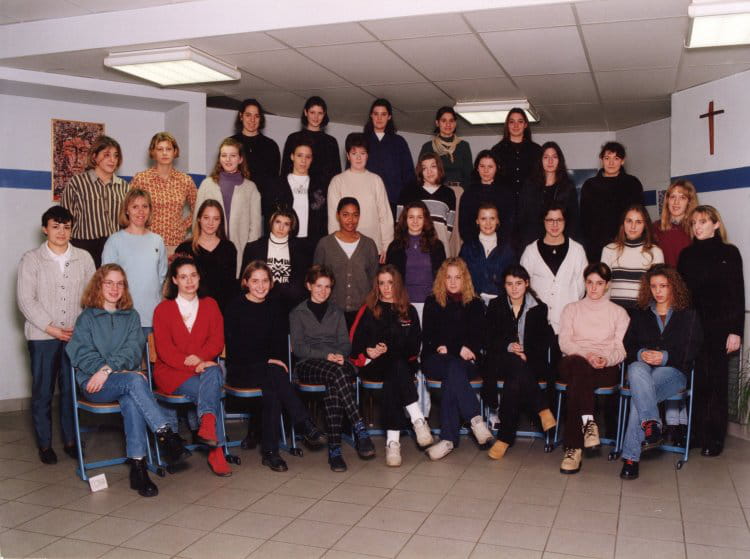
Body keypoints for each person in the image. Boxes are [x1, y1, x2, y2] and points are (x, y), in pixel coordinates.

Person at [66, 264, 186, 497]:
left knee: (132, 397)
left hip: (123, 381)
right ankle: (166, 434)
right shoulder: (87, 318)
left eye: (120, 283)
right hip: (95, 384)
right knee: (135, 381)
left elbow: (132, 351)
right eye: (109, 283)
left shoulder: (132, 316)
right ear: (99, 285)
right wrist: (104, 372)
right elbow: (81, 353)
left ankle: (138, 468)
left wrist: (108, 369)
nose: (114, 288)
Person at [224, 261, 326, 471]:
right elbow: (236, 348)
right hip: (241, 369)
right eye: (255, 281)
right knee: (274, 374)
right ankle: (303, 423)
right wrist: (265, 360)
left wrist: (268, 361)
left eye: (265, 281)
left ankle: (271, 452)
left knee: (272, 383)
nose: (260, 286)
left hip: (268, 371)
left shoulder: (275, 307)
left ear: (271, 283)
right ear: (245, 282)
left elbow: (279, 347)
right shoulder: (235, 307)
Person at [17, 206, 96, 464]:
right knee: (43, 391)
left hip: (74, 336)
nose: (61, 232)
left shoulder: (84, 258)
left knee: (71, 390)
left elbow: (92, 297)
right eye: (55, 226)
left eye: (66, 227)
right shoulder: (31, 259)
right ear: (45, 229)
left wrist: (79, 330)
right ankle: (44, 444)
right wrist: (52, 329)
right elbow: (26, 300)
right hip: (43, 337)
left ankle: (71, 441)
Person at [290, 265, 376, 472]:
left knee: (335, 383)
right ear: (309, 286)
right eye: (319, 286)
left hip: (337, 364)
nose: (323, 291)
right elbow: (299, 349)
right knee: (338, 376)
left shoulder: (336, 312)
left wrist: (338, 355)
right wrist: (326, 355)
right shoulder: (297, 313)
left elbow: (345, 344)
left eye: (327, 287)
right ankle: (359, 428)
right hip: (309, 364)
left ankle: (335, 451)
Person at [620, 265, 703, 479]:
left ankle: (631, 458)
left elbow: (691, 350)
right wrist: (641, 354)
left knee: (640, 394)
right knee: (636, 368)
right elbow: (628, 346)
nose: (658, 291)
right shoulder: (640, 313)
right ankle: (652, 424)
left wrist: (664, 357)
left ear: (673, 286)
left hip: (674, 372)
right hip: (643, 371)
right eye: (654, 286)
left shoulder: (688, 315)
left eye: (663, 286)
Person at [152, 256, 231, 476]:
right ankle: (216, 450)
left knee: (213, 371)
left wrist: (201, 359)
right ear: (174, 280)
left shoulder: (210, 304)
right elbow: (165, 351)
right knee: (212, 385)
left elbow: (217, 341)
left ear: (199, 278)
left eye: (193, 276)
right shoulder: (163, 310)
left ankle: (207, 428)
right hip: (171, 373)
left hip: (204, 369)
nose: (189, 281)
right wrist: (195, 366)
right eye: (183, 277)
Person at [678, 205, 744, 457]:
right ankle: (696, 433)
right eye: (694, 222)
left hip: (721, 328)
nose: (697, 226)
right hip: (693, 327)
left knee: (716, 382)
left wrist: (736, 331)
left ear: (716, 224)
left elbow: (737, 294)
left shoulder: (729, 252)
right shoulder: (686, 255)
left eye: (703, 221)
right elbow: (681, 296)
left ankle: (715, 438)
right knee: (696, 382)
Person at [351, 265, 432, 466]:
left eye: (391, 282)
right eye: (382, 283)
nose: (387, 288)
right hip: (375, 366)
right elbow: (354, 345)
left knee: (395, 370)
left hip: (402, 366)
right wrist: (368, 352)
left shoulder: (409, 311)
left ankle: (392, 442)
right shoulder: (368, 310)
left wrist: (392, 350)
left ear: (398, 284)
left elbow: (414, 347)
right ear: (376, 286)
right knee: (395, 369)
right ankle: (417, 418)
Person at [557, 262, 629, 474]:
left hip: (604, 366)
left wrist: (605, 359)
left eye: (599, 283)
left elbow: (621, 349)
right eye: (590, 282)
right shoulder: (571, 309)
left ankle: (573, 449)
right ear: (584, 283)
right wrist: (587, 355)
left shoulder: (619, 313)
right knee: (579, 367)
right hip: (574, 361)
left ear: (607, 285)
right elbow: (565, 343)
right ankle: (589, 423)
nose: (594, 288)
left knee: (577, 385)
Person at [421, 258, 494, 460]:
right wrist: (458, 347)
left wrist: (451, 347)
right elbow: (430, 338)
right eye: (448, 277)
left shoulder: (475, 304)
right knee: (454, 368)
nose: (453, 282)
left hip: (465, 362)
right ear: (442, 279)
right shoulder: (432, 302)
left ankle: (447, 440)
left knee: (453, 373)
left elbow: (478, 338)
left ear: (465, 279)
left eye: (457, 277)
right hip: (435, 360)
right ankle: (476, 420)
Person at [485, 266, 557, 460]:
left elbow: (542, 343)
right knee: (515, 364)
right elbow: (489, 339)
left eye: (518, 283)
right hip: (501, 360)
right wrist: (509, 346)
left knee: (514, 381)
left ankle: (504, 439)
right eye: (509, 284)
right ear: (504, 286)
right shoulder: (496, 305)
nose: (514, 288)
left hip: (529, 363)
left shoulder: (539, 308)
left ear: (527, 283)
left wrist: (526, 353)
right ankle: (543, 409)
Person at [520, 203, 587, 393]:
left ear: (565, 222)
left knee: (563, 372)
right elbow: (523, 286)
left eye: (559, 220)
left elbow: (581, 287)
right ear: (543, 222)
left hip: (567, 323)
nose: (554, 225)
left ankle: (560, 409)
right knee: (538, 372)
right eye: (550, 220)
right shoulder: (531, 251)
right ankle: (541, 409)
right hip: (538, 324)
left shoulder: (577, 250)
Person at [195, 136, 262, 275]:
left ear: (240, 159)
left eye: (233, 155)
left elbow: (255, 227)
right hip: (209, 250)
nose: (228, 159)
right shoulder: (207, 185)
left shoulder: (250, 188)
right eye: (224, 155)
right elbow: (197, 219)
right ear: (219, 158)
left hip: (240, 252)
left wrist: (249, 252)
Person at [102, 189, 167, 330]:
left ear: (150, 210)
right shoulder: (114, 241)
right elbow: (106, 280)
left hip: (152, 316)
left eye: (145, 206)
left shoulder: (157, 241)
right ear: (127, 210)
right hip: (123, 316)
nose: (140, 211)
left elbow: (161, 277)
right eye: (135, 207)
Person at [60, 135, 129, 267]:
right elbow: (65, 220)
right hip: (83, 248)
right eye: (107, 155)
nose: (112, 160)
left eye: (116, 156)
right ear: (94, 157)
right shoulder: (77, 183)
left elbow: (127, 222)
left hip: (115, 248)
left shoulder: (124, 187)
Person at [314, 197, 379, 326]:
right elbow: (316, 279)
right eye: (345, 215)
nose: (351, 220)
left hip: (363, 313)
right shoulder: (325, 244)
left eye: (355, 215)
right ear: (338, 216)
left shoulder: (369, 244)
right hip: (331, 312)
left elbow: (374, 280)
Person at [327, 132, 394, 256]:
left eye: (362, 153)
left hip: (374, 248)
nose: (358, 158)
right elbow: (333, 219)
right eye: (354, 153)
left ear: (367, 155)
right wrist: (335, 247)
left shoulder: (376, 180)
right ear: (348, 156)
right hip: (345, 248)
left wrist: (387, 246)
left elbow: (385, 217)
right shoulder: (337, 181)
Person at [130, 132, 197, 254]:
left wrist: (183, 226)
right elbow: (129, 208)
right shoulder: (141, 179)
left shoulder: (185, 180)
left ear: (175, 152)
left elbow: (198, 208)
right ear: (153, 152)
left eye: (168, 149)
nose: (164, 153)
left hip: (175, 242)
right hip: (146, 241)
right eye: (160, 149)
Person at [580, 142, 644, 262]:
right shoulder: (590, 185)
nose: (611, 163)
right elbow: (584, 220)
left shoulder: (633, 184)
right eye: (607, 158)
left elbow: (641, 216)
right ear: (601, 160)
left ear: (623, 161)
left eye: (616, 158)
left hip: (626, 244)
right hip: (596, 248)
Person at [242, 208, 313, 312]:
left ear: (291, 227)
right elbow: (244, 281)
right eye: (278, 222)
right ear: (271, 223)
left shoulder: (302, 249)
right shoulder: (253, 247)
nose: (281, 227)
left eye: (286, 224)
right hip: (260, 302)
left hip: (290, 304)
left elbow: (302, 284)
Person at [177, 200, 238, 312]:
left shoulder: (229, 248)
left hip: (222, 311)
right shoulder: (184, 248)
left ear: (221, 222)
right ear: (199, 219)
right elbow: (178, 287)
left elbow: (231, 287)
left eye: (216, 219)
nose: (211, 223)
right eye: (206, 218)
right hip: (192, 311)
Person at [263, 140, 327, 247]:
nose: (303, 161)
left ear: (312, 159)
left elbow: (323, 219)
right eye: (299, 155)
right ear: (292, 156)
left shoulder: (319, 186)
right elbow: (269, 216)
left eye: (308, 157)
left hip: (311, 243)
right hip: (283, 241)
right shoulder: (277, 184)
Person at [601, 204, 664, 309]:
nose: (633, 226)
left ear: (645, 225)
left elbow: (658, 290)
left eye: (638, 222)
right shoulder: (609, 250)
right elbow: (603, 287)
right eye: (629, 221)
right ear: (623, 223)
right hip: (614, 312)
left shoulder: (655, 252)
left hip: (643, 312)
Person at [517, 141, 580, 247]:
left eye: (554, 157)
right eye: (546, 157)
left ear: (559, 160)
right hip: (534, 243)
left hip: (561, 242)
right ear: (540, 160)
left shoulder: (567, 186)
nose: (550, 161)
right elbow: (523, 218)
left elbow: (573, 220)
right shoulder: (529, 186)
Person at [385, 201, 446, 307]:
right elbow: (389, 279)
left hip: (431, 303)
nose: (415, 221)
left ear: (425, 220)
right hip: (404, 303)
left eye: (419, 217)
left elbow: (442, 277)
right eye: (411, 217)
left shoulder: (437, 246)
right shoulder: (395, 247)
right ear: (405, 219)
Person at [397, 153, 456, 255]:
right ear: (420, 171)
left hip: (440, 248)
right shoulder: (407, 192)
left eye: (433, 166)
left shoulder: (449, 193)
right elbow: (400, 223)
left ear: (439, 168)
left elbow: (449, 228)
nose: (429, 171)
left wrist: (439, 243)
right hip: (412, 248)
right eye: (424, 168)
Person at [459, 202, 516, 305]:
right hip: (473, 302)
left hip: (500, 304)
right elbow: (460, 276)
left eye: (492, 218)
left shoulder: (507, 249)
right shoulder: (467, 247)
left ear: (497, 221)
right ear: (477, 221)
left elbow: (513, 279)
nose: (488, 223)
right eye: (483, 219)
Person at [363, 98, 414, 210]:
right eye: (376, 114)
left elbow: (409, 176)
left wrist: (406, 202)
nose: (379, 118)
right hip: (366, 200)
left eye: (383, 114)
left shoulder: (399, 142)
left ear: (389, 117)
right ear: (371, 116)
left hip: (393, 201)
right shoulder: (362, 141)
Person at [281, 96, 341, 188]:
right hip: (297, 189)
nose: (316, 117)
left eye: (320, 113)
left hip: (323, 193)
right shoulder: (293, 138)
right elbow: (285, 171)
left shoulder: (331, 142)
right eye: (312, 112)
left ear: (324, 114)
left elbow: (336, 175)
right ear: (306, 112)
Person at [490, 108, 543, 207]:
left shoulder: (537, 151)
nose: (516, 125)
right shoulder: (497, 151)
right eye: (512, 122)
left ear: (525, 125)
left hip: (531, 206)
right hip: (504, 205)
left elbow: (542, 179)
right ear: (507, 125)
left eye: (520, 121)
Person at [459, 150, 515, 243]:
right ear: (477, 168)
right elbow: (464, 226)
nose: (486, 171)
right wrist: (476, 244)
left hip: (500, 244)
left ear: (497, 168)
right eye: (482, 166)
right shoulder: (469, 193)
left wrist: (497, 243)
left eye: (490, 167)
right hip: (474, 244)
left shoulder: (506, 193)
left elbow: (509, 225)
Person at [231, 98, 281, 195]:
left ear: (260, 119)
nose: (252, 120)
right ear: (241, 116)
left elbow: (274, 181)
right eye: (248, 115)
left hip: (263, 200)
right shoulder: (231, 143)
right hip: (236, 199)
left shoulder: (271, 146)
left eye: (256, 116)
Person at [419, 107, 473, 189]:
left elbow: (469, 175)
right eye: (444, 121)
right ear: (437, 123)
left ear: (455, 123)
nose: (448, 124)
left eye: (451, 121)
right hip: (436, 189)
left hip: (459, 190)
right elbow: (421, 173)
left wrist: (463, 191)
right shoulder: (428, 147)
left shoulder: (464, 146)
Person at [653, 179, 698, 267]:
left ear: (689, 202)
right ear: (667, 200)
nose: (676, 202)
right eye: (673, 197)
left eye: (682, 197)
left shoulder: (696, 228)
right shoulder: (655, 227)